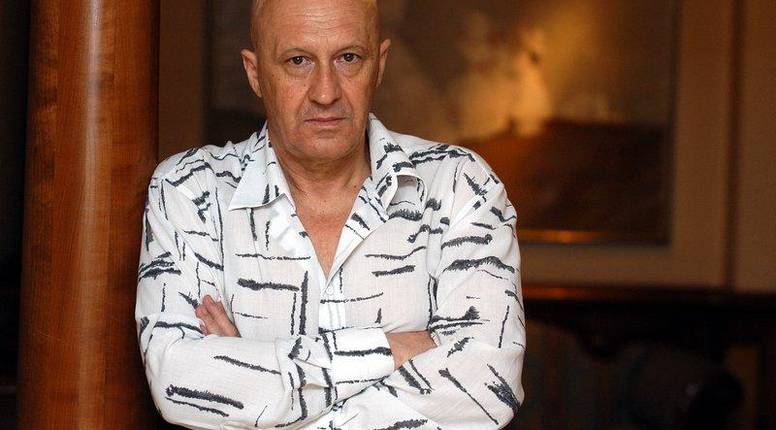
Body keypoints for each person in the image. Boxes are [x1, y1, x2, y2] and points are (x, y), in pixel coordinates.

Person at [135, 0, 525, 428]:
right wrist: (392, 350)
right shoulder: (190, 189)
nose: (325, 92)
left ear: (379, 65)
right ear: (255, 73)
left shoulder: (459, 184)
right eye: (298, 61)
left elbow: (486, 387)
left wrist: (257, 388)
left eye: (348, 58)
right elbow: (180, 382)